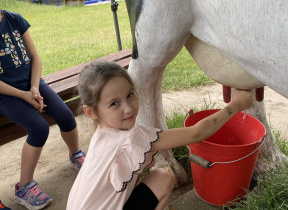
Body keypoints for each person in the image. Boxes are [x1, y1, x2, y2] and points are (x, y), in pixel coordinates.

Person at [66, 60, 254, 210]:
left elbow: (126, 179)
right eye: (114, 103)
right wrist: (235, 105)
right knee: (163, 178)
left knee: (157, 176)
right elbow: (196, 133)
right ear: (91, 112)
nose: (128, 107)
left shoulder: (101, 136)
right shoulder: (132, 138)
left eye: (130, 95)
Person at [0, 9, 86, 210]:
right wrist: (23, 96)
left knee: (65, 116)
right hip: (6, 95)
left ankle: (76, 155)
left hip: (32, 84)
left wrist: (34, 88)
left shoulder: (15, 19)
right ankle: (23, 187)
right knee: (39, 128)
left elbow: (35, 58)